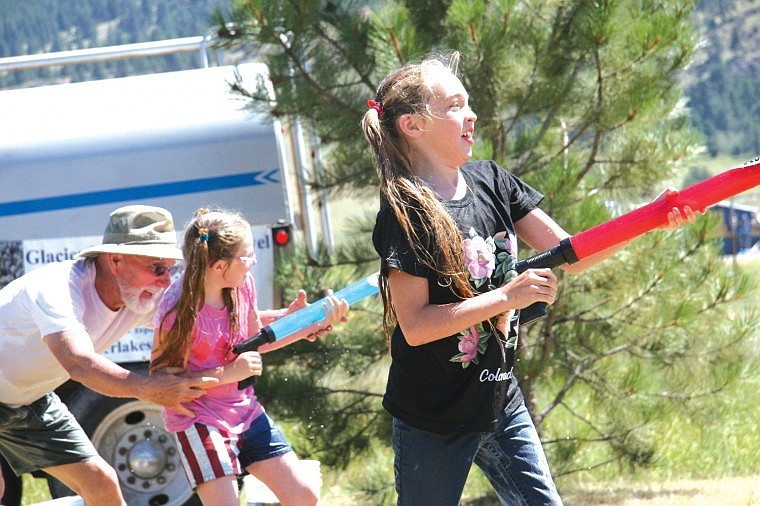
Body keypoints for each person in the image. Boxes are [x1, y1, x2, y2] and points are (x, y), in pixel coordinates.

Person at [363, 53, 696, 506]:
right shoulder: (405, 215)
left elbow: (575, 253)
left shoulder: (493, 182)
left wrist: (650, 219)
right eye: (455, 105)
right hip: (432, 418)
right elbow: (417, 326)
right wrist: (505, 297)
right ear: (413, 126)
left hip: (500, 401)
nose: (472, 115)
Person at [0, 204, 218, 505]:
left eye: (169, 269)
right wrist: (146, 388)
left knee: (100, 482)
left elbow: (209, 322)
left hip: (28, 399)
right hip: (17, 395)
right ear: (115, 260)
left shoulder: (136, 297)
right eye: (156, 268)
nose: (165, 281)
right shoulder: (55, 287)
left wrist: (285, 321)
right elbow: (77, 362)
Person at [150, 209, 349, 506]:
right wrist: (227, 374)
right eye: (247, 255)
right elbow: (160, 383)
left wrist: (306, 322)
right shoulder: (176, 311)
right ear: (219, 266)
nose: (253, 261)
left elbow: (257, 341)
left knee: (303, 496)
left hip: (244, 411)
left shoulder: (241, 286)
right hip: (199, 420)